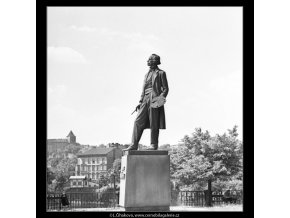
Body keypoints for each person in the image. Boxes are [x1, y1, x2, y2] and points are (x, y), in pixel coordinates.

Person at [123, 54, 169, 151]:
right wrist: (140, 102)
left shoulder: (161, 73)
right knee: (138, 121)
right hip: (145, 99)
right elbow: (143, 90)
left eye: (149, 60)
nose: (147, 61)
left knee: (154, 122)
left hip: (155, 98)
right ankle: (134, 144)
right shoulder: (146, 74)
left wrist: (160, 99)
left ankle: (154, 144)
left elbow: (166, 89)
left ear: (154, 61)